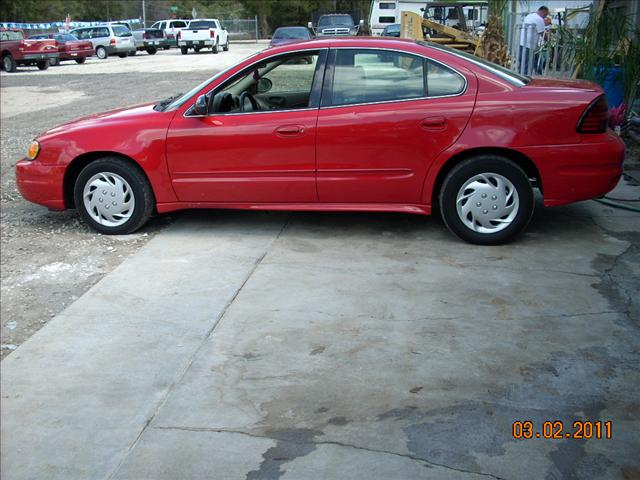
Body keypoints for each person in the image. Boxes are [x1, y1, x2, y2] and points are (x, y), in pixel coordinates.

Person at [518, 6, 549, 75]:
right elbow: (542, 33)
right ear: (543, 11)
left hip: (522, 43)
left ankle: (520, 77)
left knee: (522, 64)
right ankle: (526, 79)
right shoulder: (539, 19)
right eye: (545, 15)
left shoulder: (529, 16)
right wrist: (548, 40)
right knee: (527, 65)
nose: (545, 17)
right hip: (530, 45)